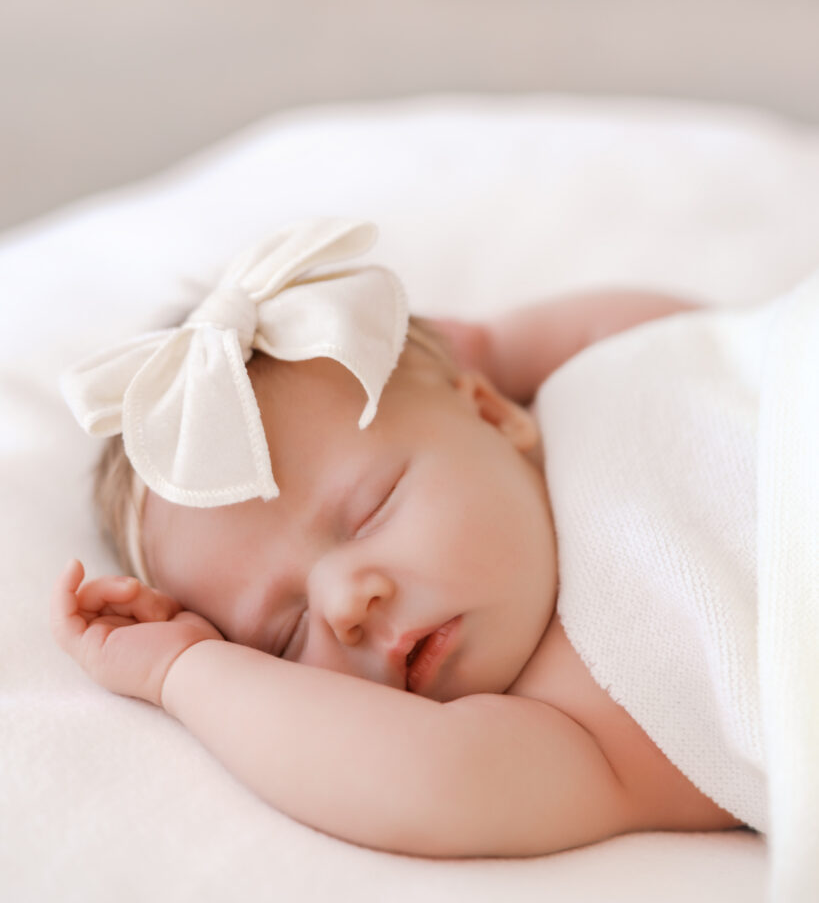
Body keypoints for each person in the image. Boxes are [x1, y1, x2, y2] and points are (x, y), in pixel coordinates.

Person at [51, 218, 745, 858]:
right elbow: (438, 780)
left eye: (369, 512)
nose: (345, 604)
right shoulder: (580, 722)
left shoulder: (589, 391)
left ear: (491, 410)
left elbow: (713, 344)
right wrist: (185, 672)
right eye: (284, 635)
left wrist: (495, 345)